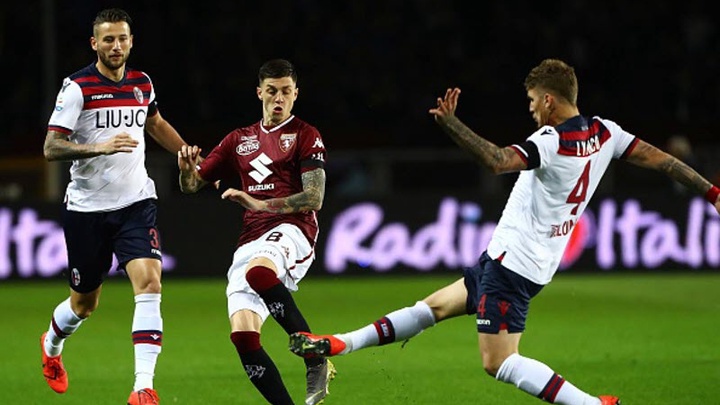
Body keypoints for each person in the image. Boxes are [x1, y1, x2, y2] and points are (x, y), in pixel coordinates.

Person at [289, 58, 720, 405]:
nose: (530, 109)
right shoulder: (606, 132)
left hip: (513, 265)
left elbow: (496, 161)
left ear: (549, 100)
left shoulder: (550, 141)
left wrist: (452, 124)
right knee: (432, 308)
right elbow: (663, 160)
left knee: (498, 362)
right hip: (520, 260)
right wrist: (712, 191)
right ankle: (340, 343)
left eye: (532, 100)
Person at [40, 8, 192, 405]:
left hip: (136, 203)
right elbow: (51, 147)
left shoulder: (142, 83)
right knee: (84, 305)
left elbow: (155, 123)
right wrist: (99, 147)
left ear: (131, 41)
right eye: (108, 39)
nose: (116, 46)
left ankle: (143, 387)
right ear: (95, 44)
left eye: (122, 38)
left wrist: (190, 155)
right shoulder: (77, 87)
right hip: (87, 209)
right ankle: (52, 344)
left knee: (150, 283)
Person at [177, 59, 334, 405]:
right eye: (272, 91)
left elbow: (315, 197)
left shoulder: (306, 135)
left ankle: (314, 357)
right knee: (243, 337)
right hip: (251, 237)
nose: (279, 98)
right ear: (259, 92)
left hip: (293, 228)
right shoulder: (239, 139)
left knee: (259, 272)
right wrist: (186, 171)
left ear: (296, 94)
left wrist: (261, 204)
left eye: (286, 91)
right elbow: (192, 185)